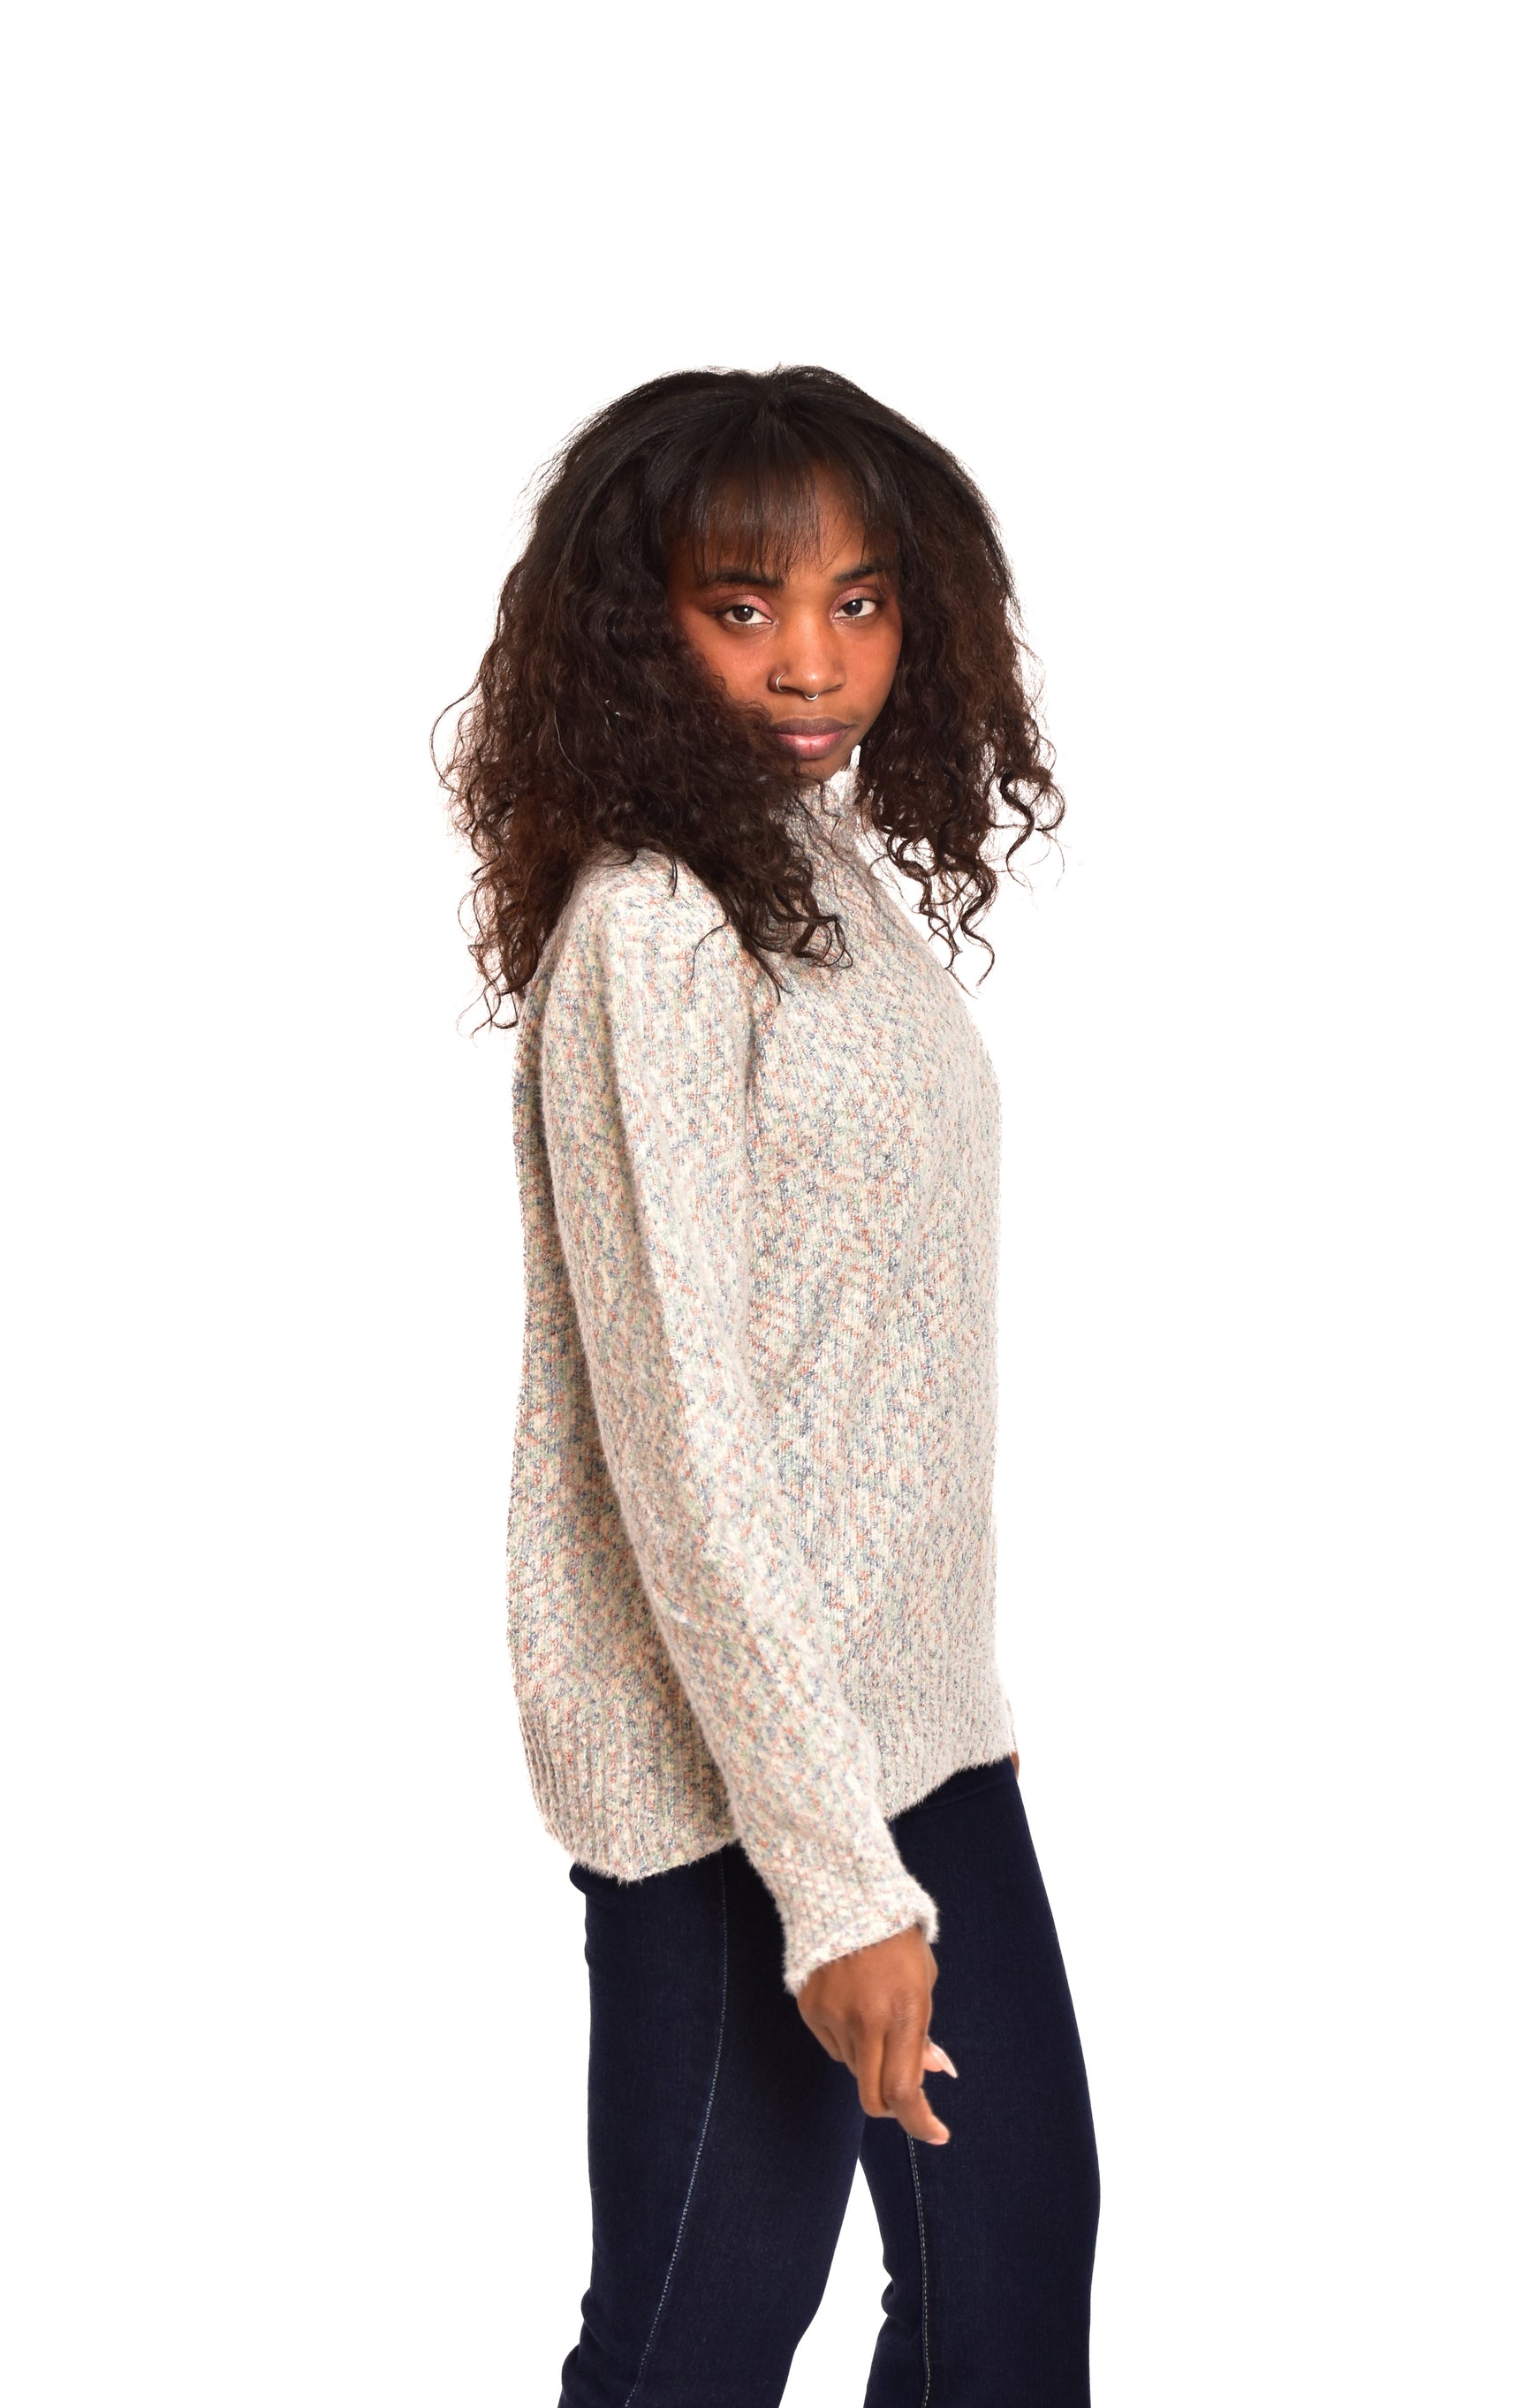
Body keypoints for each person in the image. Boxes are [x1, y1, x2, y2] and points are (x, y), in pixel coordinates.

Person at [442, 366, 1099, 2405]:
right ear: (636, 623)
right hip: (729, 1769)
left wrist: (903, 1790)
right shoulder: (656, 925)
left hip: (919, 1729)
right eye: (743, 607)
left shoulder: (826, 884)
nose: (813, 660)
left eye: (859, 600)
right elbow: (687, 1443)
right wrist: (828, 1876)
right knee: (698, 2345)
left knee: (1005, 2290)